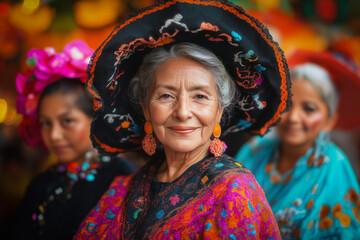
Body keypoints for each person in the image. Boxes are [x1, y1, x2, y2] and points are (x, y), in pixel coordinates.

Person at [74, 0, 292, 239]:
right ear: (146, 109)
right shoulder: (120, 192)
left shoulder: (234, 193)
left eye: (200, 96)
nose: (182, 111)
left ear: (219, 110)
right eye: (166, 95)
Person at [13, 40, 136, 240]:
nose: (54, 135)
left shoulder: (123, 180)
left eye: (67, 121)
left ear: (97, 118)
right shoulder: (41, 184)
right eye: (46, 123)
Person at [236, 49, 360, 239]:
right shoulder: (255, 149)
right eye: (287, 105)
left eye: (309, 109)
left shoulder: (334, 166)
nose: (293, 118)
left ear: (329, 120)